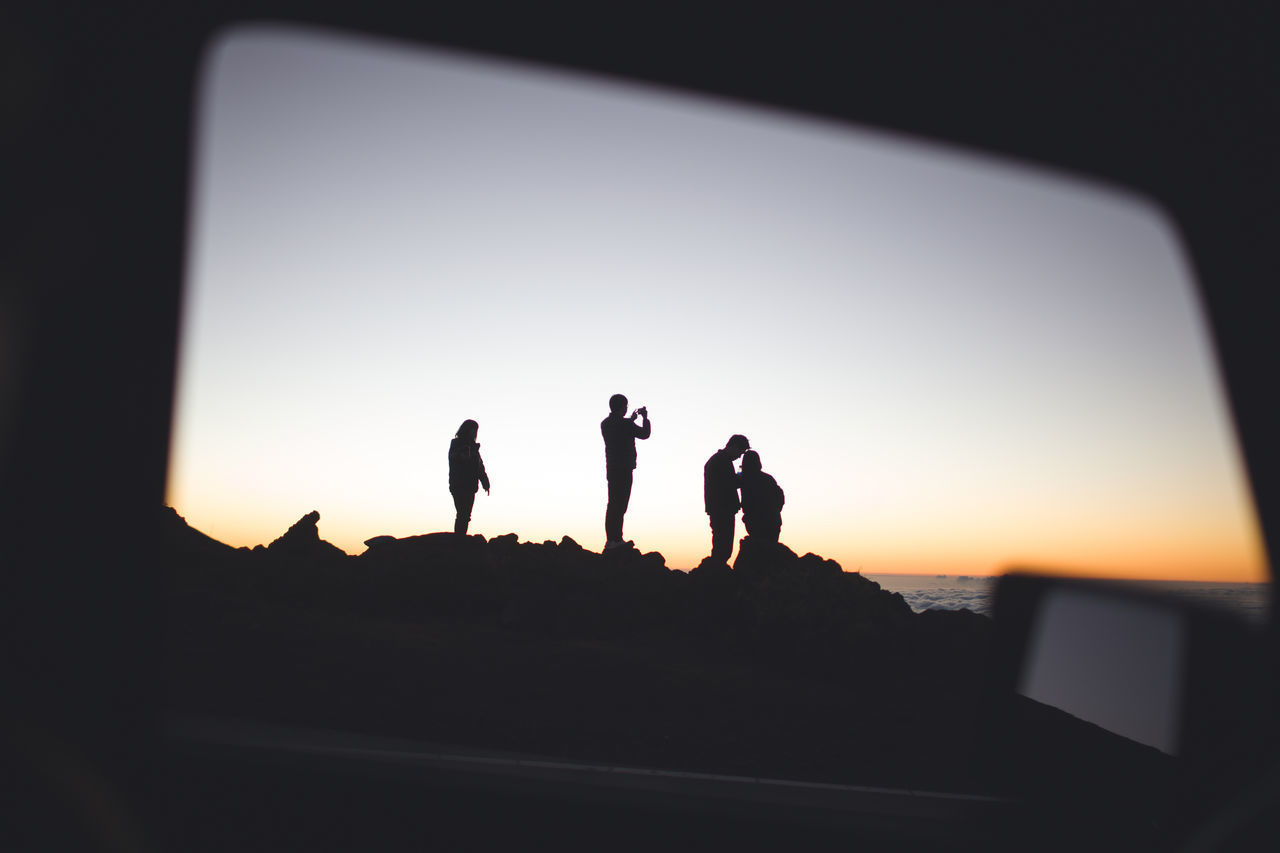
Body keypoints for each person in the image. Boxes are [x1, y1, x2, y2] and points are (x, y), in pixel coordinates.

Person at [600, 393, 651, 550]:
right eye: (626, 405)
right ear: (622, 407)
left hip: (612, 468)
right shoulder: (625, 425)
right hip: (624, 468)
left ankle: (612, 540)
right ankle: (616, 539)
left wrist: (630, 420)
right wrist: (645, 418)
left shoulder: (606, 423)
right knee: (620, 505)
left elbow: (620, 427)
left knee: (613, 504)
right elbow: (645, 434)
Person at [703, 434, 750, 564]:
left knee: (721, 547)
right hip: (722, 510)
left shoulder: (719, 460)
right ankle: (716, 575)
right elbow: (731, 483)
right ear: (734, 446)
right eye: (740, 451)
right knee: (723, 548)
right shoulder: (721, 461)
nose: (740, 456)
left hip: (719, 509)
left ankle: (715, 573)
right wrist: (742, 475)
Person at [448, 419, 489, 536]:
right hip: (459, 485)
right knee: (463, 514)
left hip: (470, 486)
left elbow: (479, 467)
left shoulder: (474, 448)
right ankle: (459, 539)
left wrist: (485, 482)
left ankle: (460, 538)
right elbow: (456, 458)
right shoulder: (456, 444)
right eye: (473, 430)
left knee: (465, 515)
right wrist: (463, 455)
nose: (475, 433)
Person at [739, 450, 785, 545]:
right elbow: (780, 496)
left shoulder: (744, 479)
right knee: (770, 550)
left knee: (759, 551)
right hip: (773, 521)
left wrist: (740, 470)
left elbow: (734, 481)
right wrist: (776, 510)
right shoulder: (768, 478)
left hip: (755, 522)